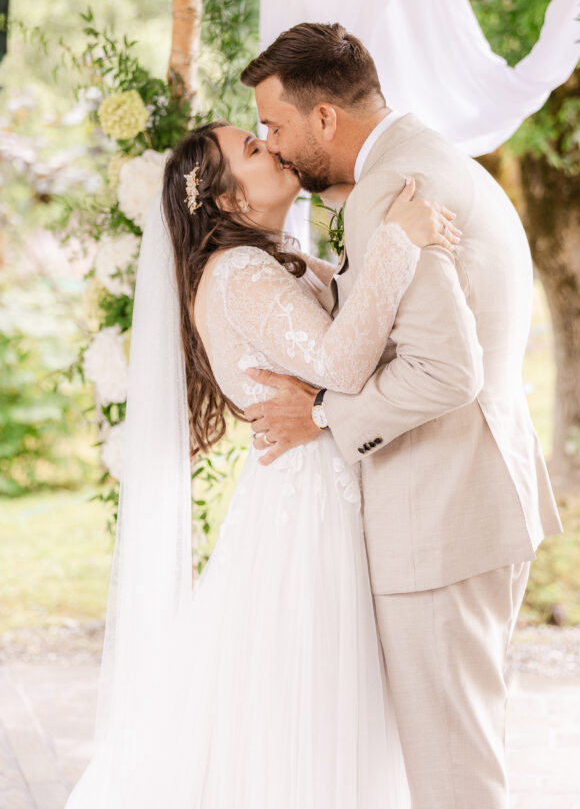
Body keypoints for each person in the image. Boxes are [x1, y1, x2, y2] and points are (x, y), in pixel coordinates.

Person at [63, 117, 461, 809]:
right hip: (305, 508)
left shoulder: (277, 261)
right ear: (226, 201)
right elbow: (342, 359)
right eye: (251, 149)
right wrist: (400, 239)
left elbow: (346, 351)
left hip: (314, 488)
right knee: (307, 691)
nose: (270, 146)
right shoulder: (239, 272)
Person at [239, 21, 564, 809]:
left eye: (275, 126)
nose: (272, 147)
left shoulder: (391, 188)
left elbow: (444, 371)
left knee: (453, 772)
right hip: (470, 495)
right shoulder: (432, 159)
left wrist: (321, 415)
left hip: (441, 510)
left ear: (325, 118)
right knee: (457, 750)